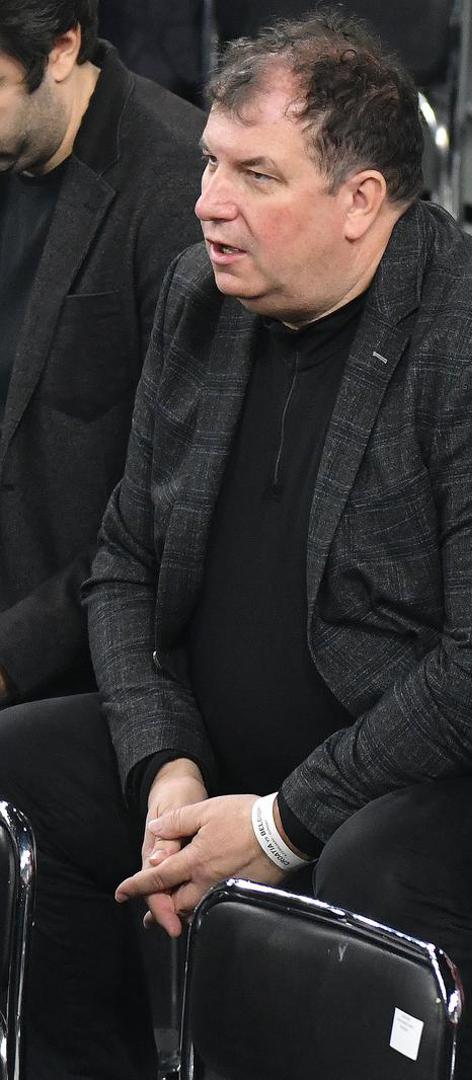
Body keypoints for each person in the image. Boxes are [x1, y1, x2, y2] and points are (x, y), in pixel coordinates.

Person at [0, 12, 472, 1079]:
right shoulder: (203, 298)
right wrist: (165, 763)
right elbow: (127, 557)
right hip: (253, 749)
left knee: (383, 861)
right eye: (210, 166)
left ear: (362, 201)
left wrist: (282, 823)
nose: (208, 204)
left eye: (255, 175)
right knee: (27, 768)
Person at [0, 0, 200, 704]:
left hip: (74, 654)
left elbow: (166, 511)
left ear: (59, 50)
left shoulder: (179, 191)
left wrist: (11, 655)